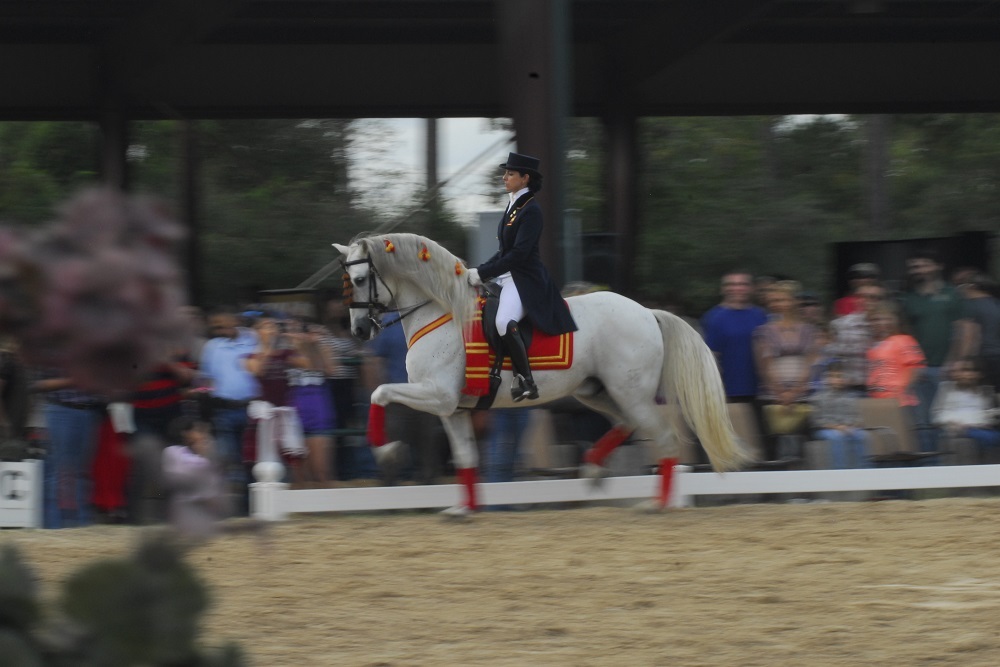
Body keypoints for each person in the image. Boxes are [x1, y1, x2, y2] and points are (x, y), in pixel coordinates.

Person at [466, 152, 577, 402]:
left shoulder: (531, 210)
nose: (504, 177)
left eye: (510, 174)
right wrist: (477, 271)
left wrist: (483, 273)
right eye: (505, 173)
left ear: (525, 178)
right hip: (506, 277)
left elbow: (519, 254)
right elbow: (503, 252)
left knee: (504, 321)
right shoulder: (513, 205)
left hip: (524, 279)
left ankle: (526, 379)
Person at [899, 248, 972, 452]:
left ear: (938, 266)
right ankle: (928, 466)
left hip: (947, 368)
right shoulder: (907, 299)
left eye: (924, 264)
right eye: (914, 266)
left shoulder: (952, 294)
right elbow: (904, 335)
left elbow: (965, 328)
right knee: (921, 421)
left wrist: (959, 361)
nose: (918, 269)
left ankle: (945, 466)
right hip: (918, 371)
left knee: (945, 420)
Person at [198, 307, 261, 508]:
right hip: (223, 409)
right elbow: (206, 377)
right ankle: (237, 506)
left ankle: (256, 503)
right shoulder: (212, 347)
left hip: (252, 408)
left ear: (234, 321)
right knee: (229, 458)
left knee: (254, 457)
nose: (218, 329)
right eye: (215, 326)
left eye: (221, 325)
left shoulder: (253, 340)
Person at [753, 280, 821, 459]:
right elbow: (764, 365)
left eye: (781, 299)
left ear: (793, 301)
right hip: (772, 395)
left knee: (804, 448)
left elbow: (810, 363)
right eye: (773, 300)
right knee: (773, 448)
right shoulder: (763, 331)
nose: (777, 304)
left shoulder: (808, 330)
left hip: (803, 395)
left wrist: (796, 392)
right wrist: (781, 393)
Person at [866, 303, 929, 450]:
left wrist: (905, 390)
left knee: (904, 443)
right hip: (878, 401)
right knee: (885, 443)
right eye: (875, 320)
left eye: (884, 319)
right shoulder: (873, 345)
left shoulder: (903, 340)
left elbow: (917, 367)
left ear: (893, 320)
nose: (880, 323)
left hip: (900, 401)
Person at [702, 269, 769, 403]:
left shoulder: (762, 316)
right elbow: (711, 358)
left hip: (764, 391)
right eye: (731, 284)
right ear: (723, 289)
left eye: (742, 284)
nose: (737, 288)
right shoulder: (713, 317)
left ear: (751, 288)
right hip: (728, 391)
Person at [161, 415, 229, 542]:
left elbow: (215, 478)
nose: (204, 437)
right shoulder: (173, 452)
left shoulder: (206, 453)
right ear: (185, 434)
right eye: (198, 431)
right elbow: (175, 476)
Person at [809, 362, 872, 470]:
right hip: (826, 430)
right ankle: (840, 471)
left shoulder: (851, 397)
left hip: (848, 428)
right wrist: (838, 427)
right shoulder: (818, 397)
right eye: (834, 376)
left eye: (840, 376)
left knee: (862, 435)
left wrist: (853, 426)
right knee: (836, 437)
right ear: (827, 378)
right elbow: (817, 421)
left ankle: (863, 470)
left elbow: (857, 417)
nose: (837, 379)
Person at [931, 356, 1000, 454]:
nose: (959, 374)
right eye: (957, 371)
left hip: (982, 428)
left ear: (978, 374)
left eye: (966, 370)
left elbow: (990, 415)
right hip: (960, 429)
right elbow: (937, 416)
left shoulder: (986, 391)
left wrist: (988, 418)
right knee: (990, 438)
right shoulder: (946, 389)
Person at [829, 281, 887, 392]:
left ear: (882, 301)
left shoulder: (889, 326)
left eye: (874, 297)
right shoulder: (840, 325)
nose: (867, 301)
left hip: (880, 389)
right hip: (848, 388)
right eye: (862, 297)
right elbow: (831, 357)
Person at [956, 272, 1000, 389]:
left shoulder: (970, 306)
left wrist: (962, 359)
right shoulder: (996, 303)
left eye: (962, 286)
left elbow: (968, 335)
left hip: (982, 357)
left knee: (982, 393)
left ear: (972, 286)